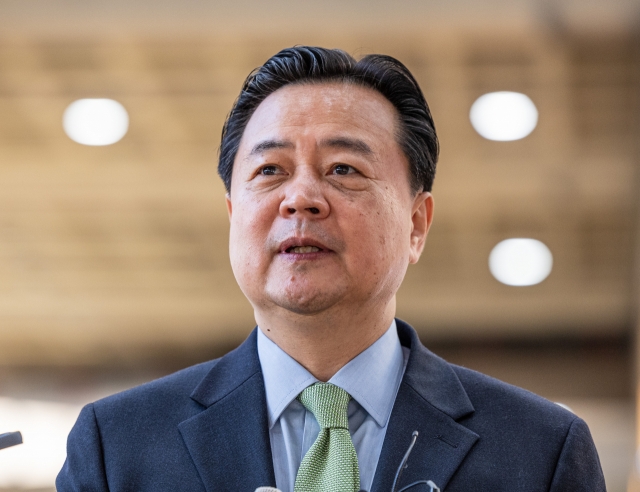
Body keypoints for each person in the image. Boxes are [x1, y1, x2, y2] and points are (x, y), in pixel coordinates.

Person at [57, 46, 606, 492]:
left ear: (417, 223)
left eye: (343, 168)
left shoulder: (541, 452)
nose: (300, 199)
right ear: (233, 215)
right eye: (270, 170)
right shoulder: (117, 446)